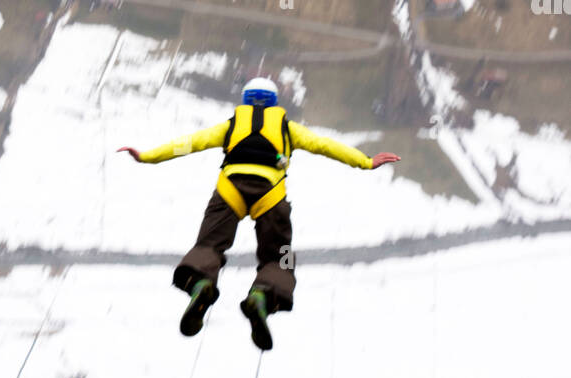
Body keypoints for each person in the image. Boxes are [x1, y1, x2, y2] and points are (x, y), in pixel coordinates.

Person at [119, 76, 400, 350]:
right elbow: (325, 145)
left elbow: (189, 143)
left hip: (229, 191)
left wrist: (148, 156)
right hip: (272, 196)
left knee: (208, 245)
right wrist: (365, 161)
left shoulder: (229, 127)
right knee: (283, 257)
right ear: (275, 103)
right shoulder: (288, 129)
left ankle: (200, 283)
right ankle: (263, 296)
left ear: (245, 101)